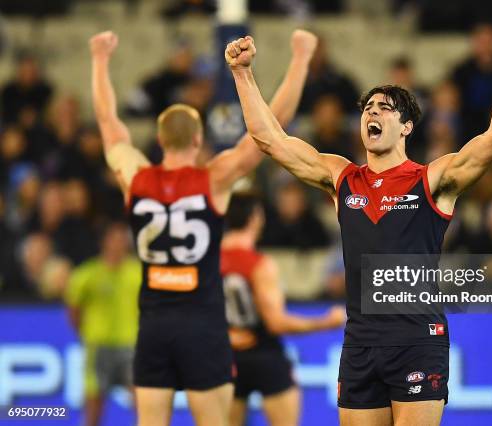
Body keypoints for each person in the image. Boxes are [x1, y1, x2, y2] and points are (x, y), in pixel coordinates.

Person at [225, 31, 492, 426]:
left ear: (406, 127)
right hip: (361, 343)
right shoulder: (342, 177)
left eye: (385, 108)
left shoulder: (432, 179)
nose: (372, 112)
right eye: (368, 107)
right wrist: (242, 73)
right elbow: (270, 140)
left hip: (418, 340)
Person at [89, 28, 317, 426]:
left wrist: (99, 60)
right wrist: (299, 59)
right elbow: (271, 129)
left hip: (154, 327)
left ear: (159, 140)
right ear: (198, 139)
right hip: (204, 329)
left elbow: (109, 122)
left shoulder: (136, 178)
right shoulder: (213, 179)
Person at [220, 192, 345, 426]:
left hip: (226, 357)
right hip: (264, 355)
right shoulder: (259, 264)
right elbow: (276, 323)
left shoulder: (211, 261)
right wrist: (325, 322)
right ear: (255, 218)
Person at [65, 222, 141, 426]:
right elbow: (74, 310)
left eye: (121, 239)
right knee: (94, 409)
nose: (118, 244)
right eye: (113, 239)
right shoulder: (87, 274)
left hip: (131, 345)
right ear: (104, 242)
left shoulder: (139, 272)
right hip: (99, 346)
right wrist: (87, 333)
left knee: (142, 403)